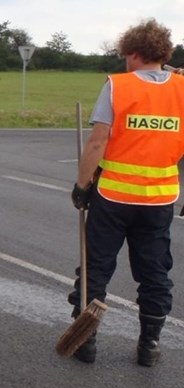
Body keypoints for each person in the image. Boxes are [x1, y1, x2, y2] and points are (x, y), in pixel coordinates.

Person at [69, 18, 184, 366]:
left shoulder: (119, 86)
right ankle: (149, 344)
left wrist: (81, 185)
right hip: (159, 200)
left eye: (125, 55)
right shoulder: (181, 89)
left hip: (114, 198)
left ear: (134, 53)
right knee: (154, 272)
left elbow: (97, 143)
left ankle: (85, 341)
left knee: (96, 268)